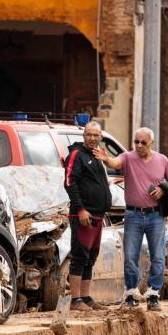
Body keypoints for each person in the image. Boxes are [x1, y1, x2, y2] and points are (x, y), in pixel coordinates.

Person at [97, 127, 168, 311]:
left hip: (156, 215)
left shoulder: (162, 160)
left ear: (151, 143)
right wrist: (106, 159)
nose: (139, 145)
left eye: (143, 143)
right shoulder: (127, 157)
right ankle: (131, 293)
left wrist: (163, 189)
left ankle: (153, 294)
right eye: (136, 142)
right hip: (133, 215)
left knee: (158, 256)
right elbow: (115, 163)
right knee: (131, 256)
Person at [63, 121, 112, 312]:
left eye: (95, 135)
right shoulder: (77, 155)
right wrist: (80, 209)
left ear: (101, 137)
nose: (92, 138)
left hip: (98, 215)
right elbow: (70, 182)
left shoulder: (97, 155)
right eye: (89, 134)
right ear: (83, 136)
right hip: (83, 214)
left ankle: (85, 297)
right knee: (80, 255)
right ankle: (75, 299)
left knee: (91, 257)